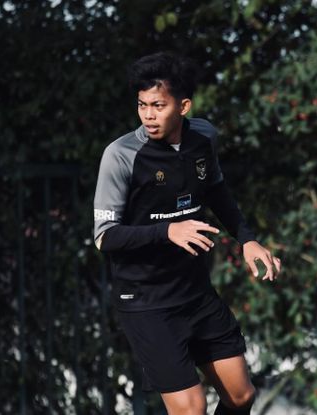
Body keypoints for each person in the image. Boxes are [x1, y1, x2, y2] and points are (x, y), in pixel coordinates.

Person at [93, 51, 281, 415]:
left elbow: (217, 192)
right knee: (191, 408)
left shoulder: (203, 137)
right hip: (147, 302)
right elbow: (105, 237)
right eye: (142, 105)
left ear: (184, 106)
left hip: (195, 293)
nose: (148, 114)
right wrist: (167, 231)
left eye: (158, 105)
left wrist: (248, 239)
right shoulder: (121, 155)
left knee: (241, 396)